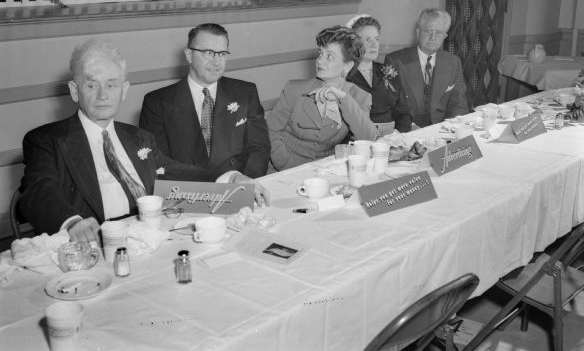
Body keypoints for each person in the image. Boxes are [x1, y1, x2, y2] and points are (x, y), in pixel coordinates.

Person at [19, 40, 265, 243]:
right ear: (74, 91)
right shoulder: (47, 140)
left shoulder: (138, 138)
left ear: (124, 90)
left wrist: (229, 178)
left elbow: (175, 171)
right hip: (97, 245)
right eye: (91, 85)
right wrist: (72, 222)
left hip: (150, 237)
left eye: (112, 85)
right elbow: (38, 192)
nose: (103, 95)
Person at [139, 23, 270, 178]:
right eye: (209, 53)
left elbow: (259, 149)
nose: (216, 62)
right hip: (187, 193)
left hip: (241, 189)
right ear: (189, 55)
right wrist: (221, 182)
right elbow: (159, 161)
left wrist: (247, 185)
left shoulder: (245, 93)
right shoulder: (157, 103)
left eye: (222, 54)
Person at [267, 26, 377, 171]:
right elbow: (271, 132)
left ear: (347, 66)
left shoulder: (359, 97)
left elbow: (367, 138)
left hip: (327, 171)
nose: (320, 61)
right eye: (320, 53)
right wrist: (288, 166)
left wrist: (343, 98)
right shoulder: (294, 90)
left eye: (329, 56)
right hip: (283, 168)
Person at [387, 8, 469, 127]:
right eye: (428, 31)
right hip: (407, 132)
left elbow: (459, 105)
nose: (432, 37)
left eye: (438, 33)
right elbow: (387, 107)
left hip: (441, 132)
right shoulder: (395, 61)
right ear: (417, 32)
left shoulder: (453, 62)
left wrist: (448, 128)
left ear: (445, 36)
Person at [346, 14, 412, 133]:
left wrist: (398, 135)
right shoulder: (346, 76)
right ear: (353, 43)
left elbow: (403, 112)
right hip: (358, 139)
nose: (374, 44)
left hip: (392, 138)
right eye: (367, 39)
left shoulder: (388, 70)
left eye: (376, 39)